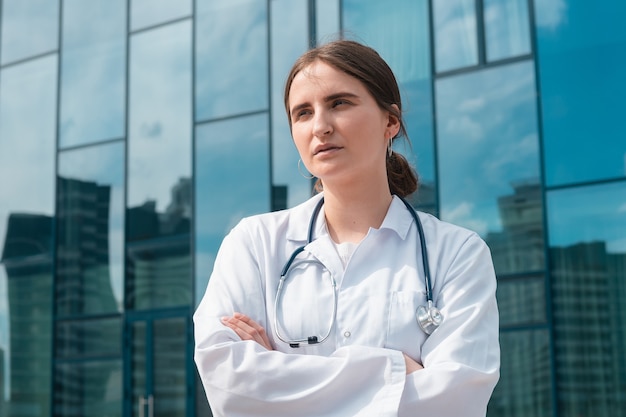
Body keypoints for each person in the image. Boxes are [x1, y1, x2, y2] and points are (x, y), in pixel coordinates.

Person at [194, 39, 500, 417]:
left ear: (390, 121)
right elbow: (230, 385)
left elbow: (456, 403)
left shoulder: (457, 253)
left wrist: (279, 377)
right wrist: (394, 370)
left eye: (339, 103)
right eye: (302, 113)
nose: (320, 126)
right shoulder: (254, 244)